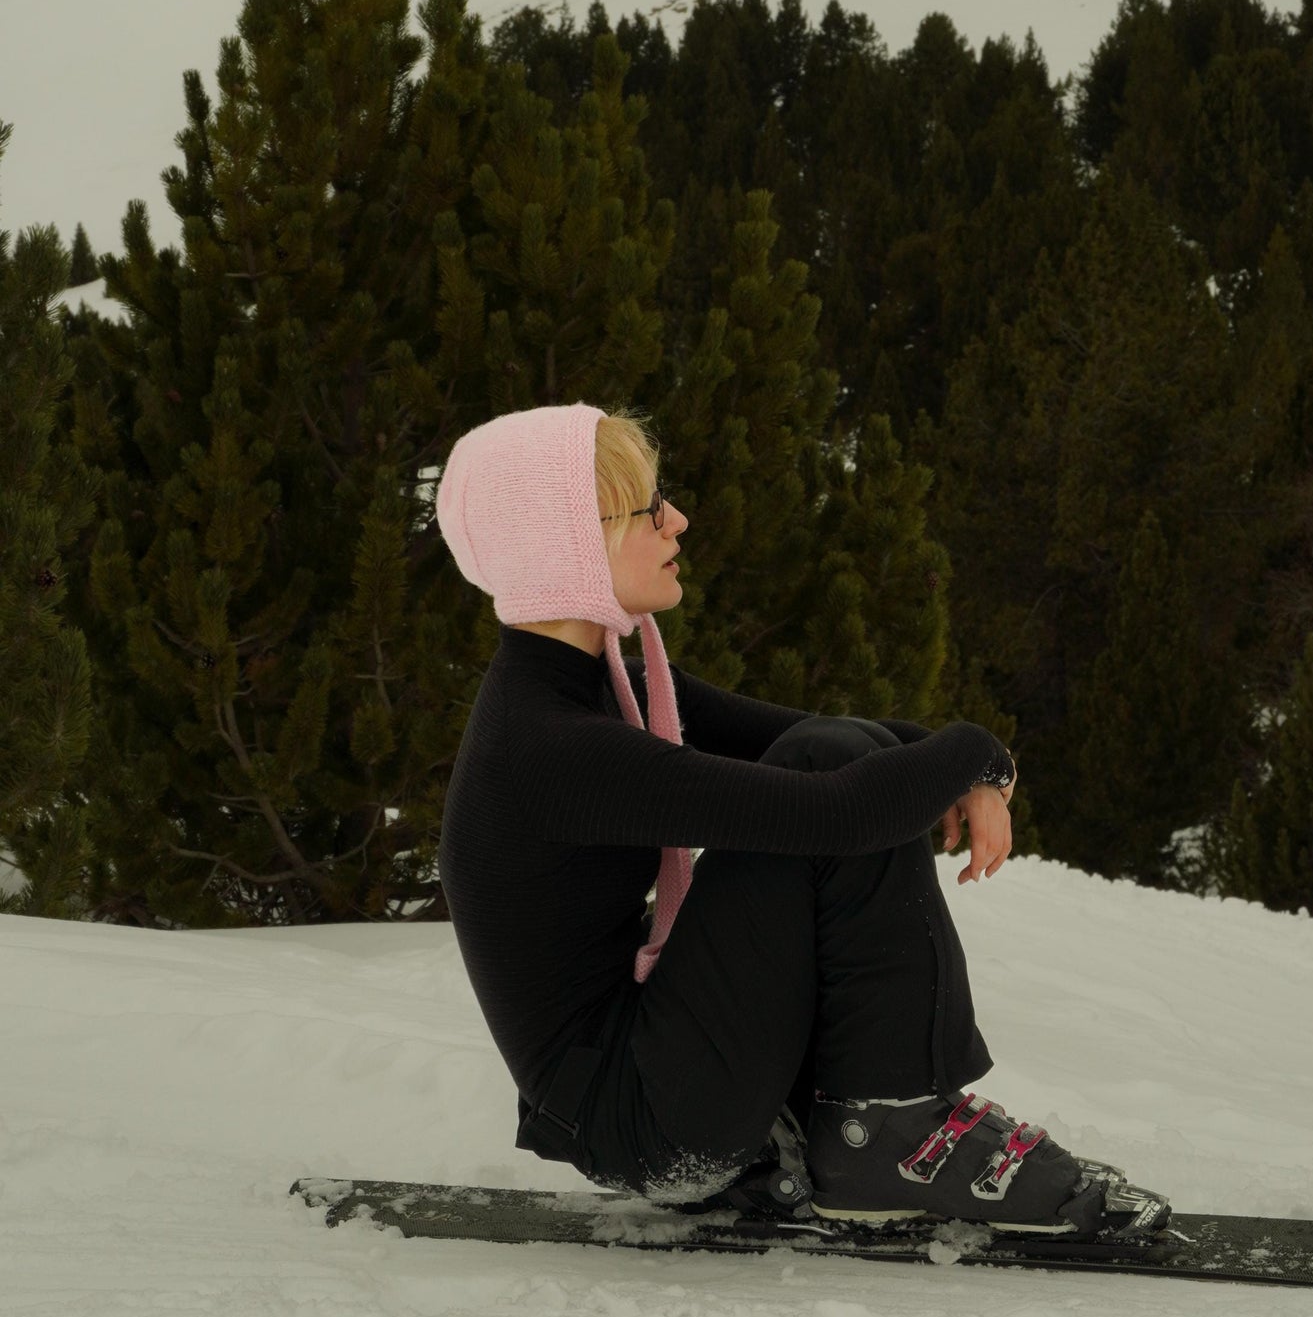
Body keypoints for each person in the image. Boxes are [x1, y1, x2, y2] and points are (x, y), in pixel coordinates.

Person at [435, 399, 1160, 1235]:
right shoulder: (545, 743)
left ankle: (876, 1122)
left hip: (661, 1070)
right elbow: (834, 811)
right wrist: (970, 748)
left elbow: (832, 747)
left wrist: (971, 768)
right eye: (646, 509)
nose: (677, 520)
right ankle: (886, 1127)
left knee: (834, 747)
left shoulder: (595, 682)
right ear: (567, 545)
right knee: (829, 775)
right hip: (643, 1120)